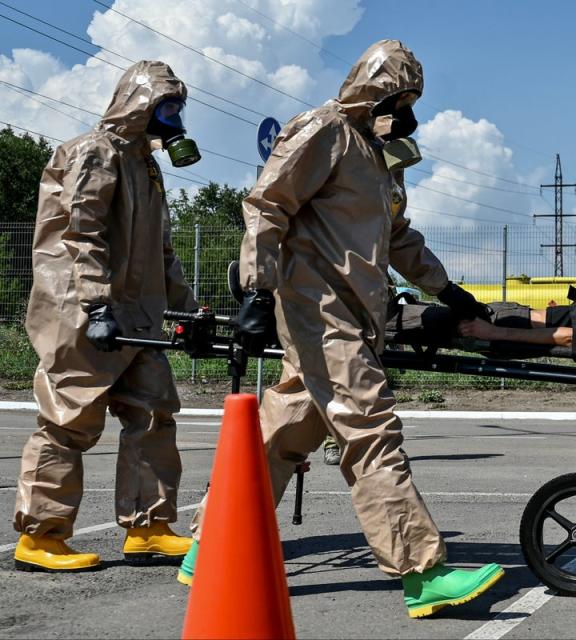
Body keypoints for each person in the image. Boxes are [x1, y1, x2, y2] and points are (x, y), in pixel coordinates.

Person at [180, 40, 504, 618]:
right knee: (370, 428)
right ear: (374, 88)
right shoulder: (322, 131)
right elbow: (267, 205)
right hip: (317, 307)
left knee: (283, 434)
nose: (407, 112)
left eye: (411, 101)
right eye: (400, 98)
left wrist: (446, 289)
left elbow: (397, 238)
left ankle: (208, 546)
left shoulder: (375, 159)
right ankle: (421, 572)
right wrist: (257, 290)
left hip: (354, 312)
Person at [13, 60, 201, 572]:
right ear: (139, 104)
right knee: (68, 422)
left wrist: (187, 306)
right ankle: (41, 536)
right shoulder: (93, 152)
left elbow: (161, 249)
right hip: (84, 315)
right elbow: (81, 234)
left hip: (138, 320)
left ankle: (150, 527)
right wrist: (96, 304)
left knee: (155, 415)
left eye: (179, 107)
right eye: (167, 106)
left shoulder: (146, 165)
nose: (175, 117)